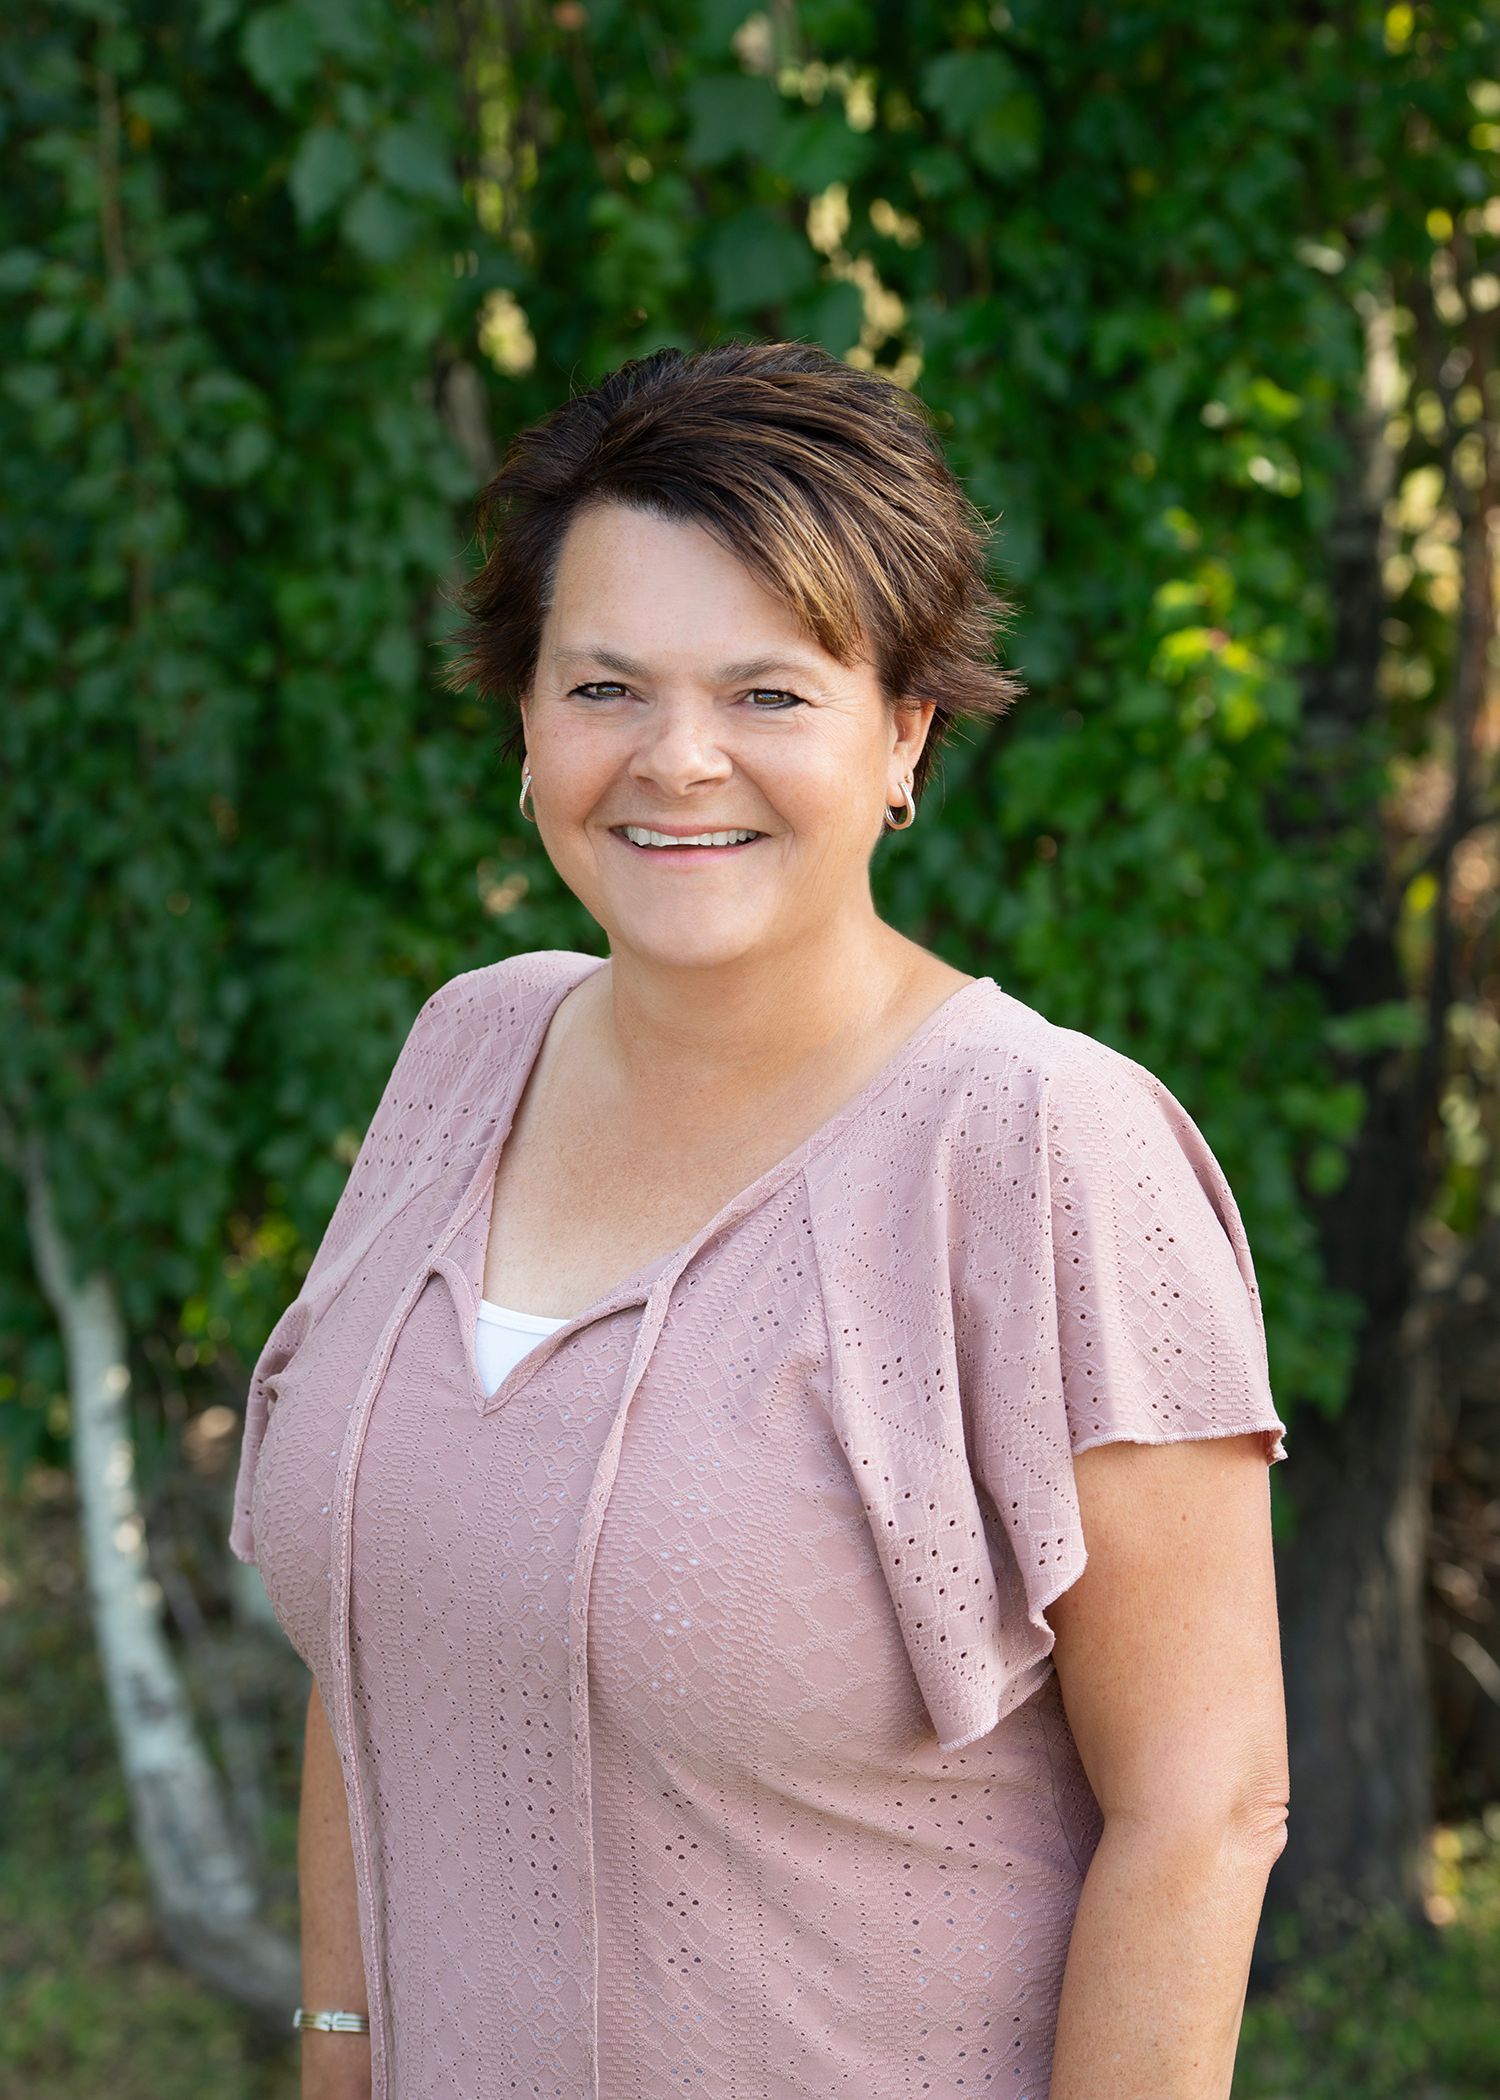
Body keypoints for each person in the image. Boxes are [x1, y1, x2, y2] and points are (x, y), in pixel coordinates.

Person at [229, 339, 1290, 2100]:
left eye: (771, 695)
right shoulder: (467, 1049)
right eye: (605, 688)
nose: (679, 760)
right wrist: (340, 2050)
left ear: (905, 734)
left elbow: (1204, 1805)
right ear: (524, 716)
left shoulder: (1037, 1147)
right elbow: (382, 1636)